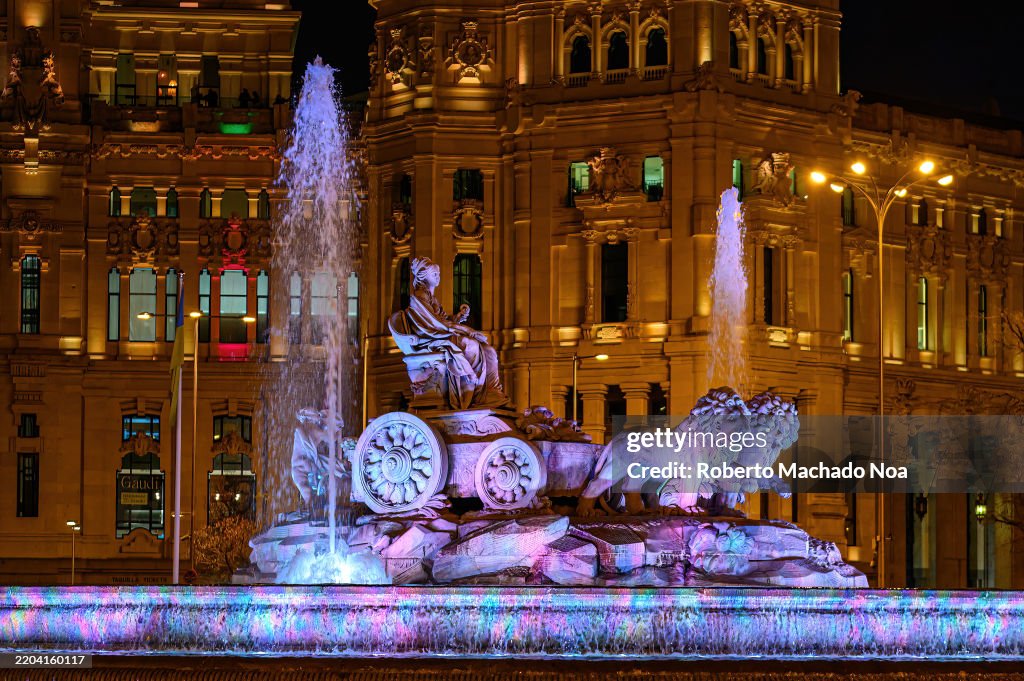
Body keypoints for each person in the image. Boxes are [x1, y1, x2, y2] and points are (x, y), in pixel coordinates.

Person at [389, 256, 509, 410]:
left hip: (439, 334)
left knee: (489, 351)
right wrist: (468, 330)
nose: (438, 277)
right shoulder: (419, 297)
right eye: (434, 274)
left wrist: (457, 318)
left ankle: (490, 392)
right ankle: (473, 393)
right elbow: (435, 324)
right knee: (470, 345)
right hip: (430, 339)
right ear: (422, 276)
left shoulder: (432, 299)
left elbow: (443, 320)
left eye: (438, 274)